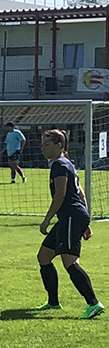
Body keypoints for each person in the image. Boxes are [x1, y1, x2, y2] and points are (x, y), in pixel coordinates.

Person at [36, 129, 103, 319]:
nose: (43, 149)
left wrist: (47, 219)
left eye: (47, 145)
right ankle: (53, 302)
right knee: (44, 256)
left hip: (71, 216)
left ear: (59, 145)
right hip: (72, 217)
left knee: (70, 261)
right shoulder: (67, 163)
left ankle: (93, 303)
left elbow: (60, 195)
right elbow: (80, 191)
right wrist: (85, 219)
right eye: (42, 145)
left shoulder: (59, 164)